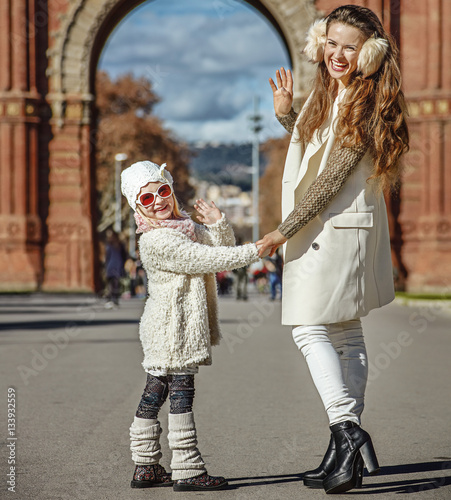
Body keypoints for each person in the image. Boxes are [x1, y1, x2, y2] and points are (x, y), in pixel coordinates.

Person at [256, 5, 409, 494]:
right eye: (332, 42)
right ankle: (347, 447)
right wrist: (287, 116)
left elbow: (333, 176)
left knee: (307, 327)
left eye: (350, 46)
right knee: (344, 331)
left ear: (369, 52)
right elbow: (319, 152)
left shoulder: (363, 100)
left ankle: (346, 430)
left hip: (333, 229)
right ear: (319, 43)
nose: (338, 54)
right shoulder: (337, 93)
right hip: (337, 229)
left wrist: (284, 229)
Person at [120, 160, 260, 491]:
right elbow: (209, 260)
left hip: (173, 326)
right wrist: (257, 249)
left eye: (163, 191)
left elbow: (219, 247)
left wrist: (219, 223)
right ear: (138, 207)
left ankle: (145, 466)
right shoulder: (156, 240)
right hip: (171, 327)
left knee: (156, 393)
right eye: (148, 199)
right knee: (180, 392)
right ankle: (186, 467)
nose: (159, 201)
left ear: (170, 188)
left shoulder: (183, 227)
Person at [104, 229, 127, 308]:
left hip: (111, 266)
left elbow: (107, 257)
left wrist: (105, 266)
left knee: (110, 284)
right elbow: (125, 256)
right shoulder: (120, 245)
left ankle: (110, 300)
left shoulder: (109, 245)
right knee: (116, 284)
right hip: (118, 266)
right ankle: (115, 300)